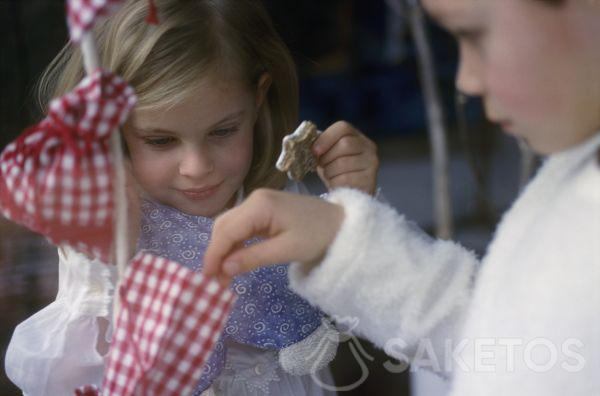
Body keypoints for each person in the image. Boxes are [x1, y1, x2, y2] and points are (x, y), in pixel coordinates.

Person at [203, 0, 600, 395]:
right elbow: (512, 340)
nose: (466, 80)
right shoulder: (574, 178)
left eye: (474, 35)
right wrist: (345, 245)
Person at [4, 0, 379, 395]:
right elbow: (69, 381)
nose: (197, 167)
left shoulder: (279, 196)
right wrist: (113, 260)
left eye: (223, 131)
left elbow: (363, 312)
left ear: (257, 98)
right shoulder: (104, 230)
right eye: (161, 140)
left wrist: (355, 210)